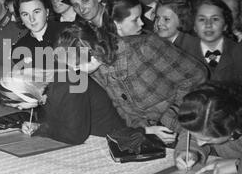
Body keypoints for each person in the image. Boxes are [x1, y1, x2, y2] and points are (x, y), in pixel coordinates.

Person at [54, 23, 207, 144]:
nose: (74, 70)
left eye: (76, 64)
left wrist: (168, 119)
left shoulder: (144, 47)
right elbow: (121, 109)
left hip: (193, 129)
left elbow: (196, 76)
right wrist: (146, 129)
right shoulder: (93, 71)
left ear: (94, 53)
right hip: (152, 136)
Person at [0, 68, 153, 148]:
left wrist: (41, 129)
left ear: (24, 92)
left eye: (17, 103)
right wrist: (38, 125)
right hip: (92, 138)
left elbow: (75, 136)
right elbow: (51, 119)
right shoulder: (45, 88)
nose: (20, 108)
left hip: (111, 141)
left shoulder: (67, 85)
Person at [174, 81, 242, 174]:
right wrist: (190, 151)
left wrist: (237, 166)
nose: (200, 143)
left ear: (232, 130)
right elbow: (192, 134)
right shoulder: (204, 124)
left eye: (207, 140)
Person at [184, 0, 242, 82]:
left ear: (225, 25)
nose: (208, 25)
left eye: (215, 19)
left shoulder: (238, 52)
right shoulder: (184, 54)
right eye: (202, 19)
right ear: (194, 26)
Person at [12, 0, 68, 68]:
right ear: (20, 18)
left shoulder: (68, 31)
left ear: (47, 12)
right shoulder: (20, 48)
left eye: (36, 12)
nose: (32, 19)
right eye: (25, 14)